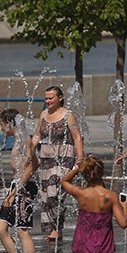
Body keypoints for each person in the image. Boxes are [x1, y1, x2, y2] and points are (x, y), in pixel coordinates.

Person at [31, 86, 85, 242]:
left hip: (64, 159)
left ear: (60, 98)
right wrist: (29, 149)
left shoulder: (68, 115)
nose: (47, 101)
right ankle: (54, 228)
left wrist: (80, 157)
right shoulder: (43, 114)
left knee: (56, 191)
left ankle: (56, 228)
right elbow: (37, 135)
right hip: (46, 159)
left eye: (50, 98)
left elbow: (77, 137)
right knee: (46, 195)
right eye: (46, 98)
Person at [0, 109, 39, 253]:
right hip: (16, 186)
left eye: (2, 124)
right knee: (0, 228)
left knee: (23, 231)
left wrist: (15, 191)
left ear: (9, 122)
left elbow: (33, 166)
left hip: (25, 188)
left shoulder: (24, 140)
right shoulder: (18, 139)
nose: (2, 128)